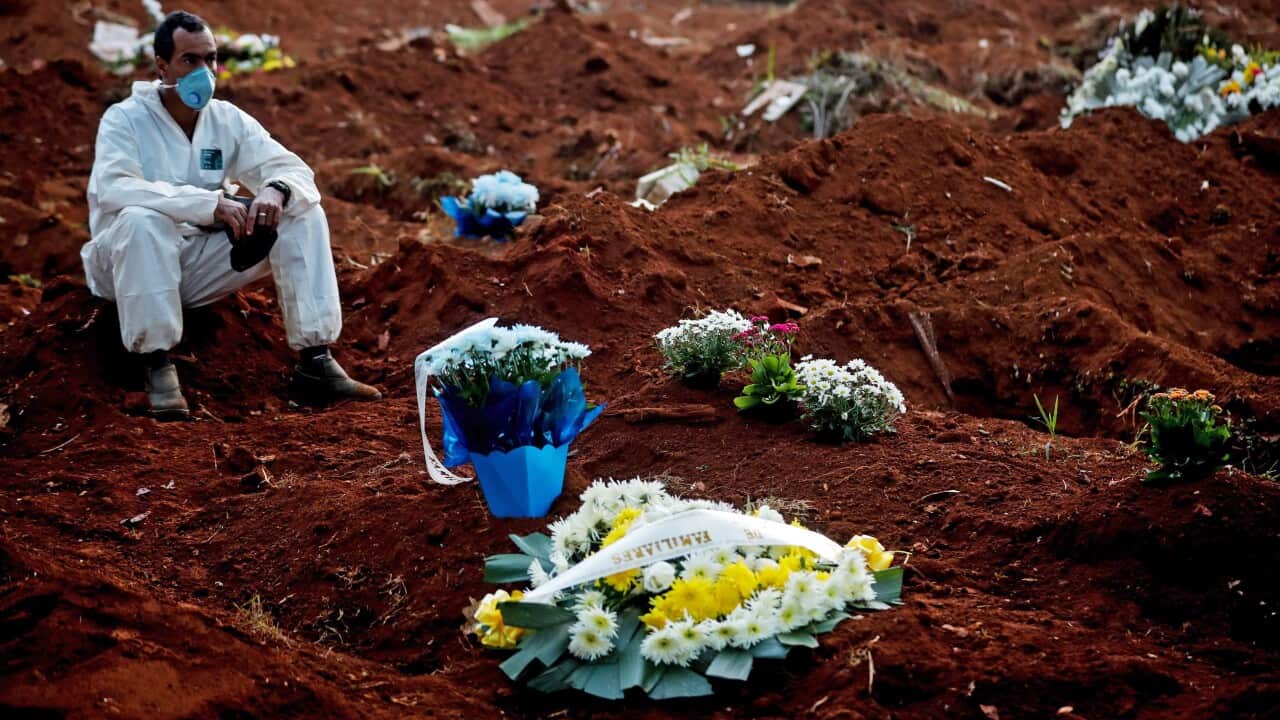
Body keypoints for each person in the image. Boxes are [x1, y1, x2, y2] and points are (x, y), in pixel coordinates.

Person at [81, 10, 380, 420]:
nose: (203, 71)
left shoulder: (226, 121)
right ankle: (156, 365)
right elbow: (116, 187)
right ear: (162, 66)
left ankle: (316, 359)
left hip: (190, 270)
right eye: (190, 60)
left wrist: (274, 191)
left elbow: (293, 170)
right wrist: (207, 205)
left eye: (210, 58)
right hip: (126, 268)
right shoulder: (125, 120)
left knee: (301, 210)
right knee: (141, 219)